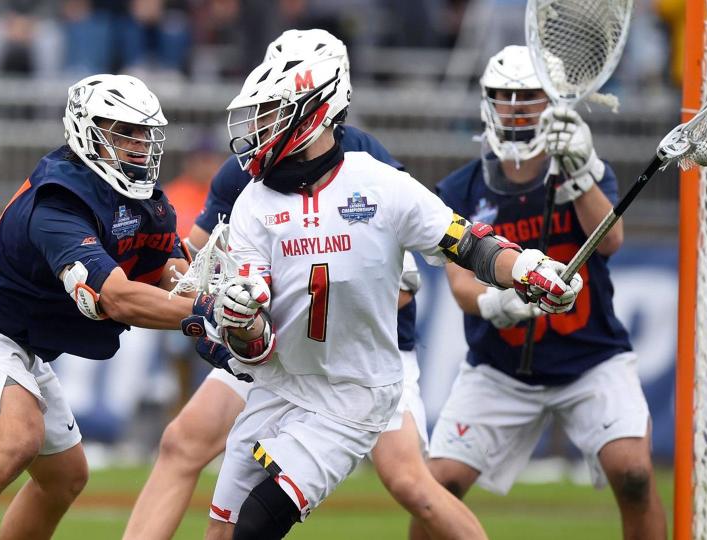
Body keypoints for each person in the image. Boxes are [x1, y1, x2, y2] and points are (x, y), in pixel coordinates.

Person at [185, 36, 582, 540]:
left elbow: (470, 244)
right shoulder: (252, 205)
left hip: (353, 392)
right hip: (279, 384)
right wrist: (241, 323)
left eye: (271, 114)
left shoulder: (379, 184)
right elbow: (257, 347)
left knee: (255, 526)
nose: (257, 129)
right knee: (220, 532)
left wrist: (525, 268)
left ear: (314, 114)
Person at [124, 29, 486, 540]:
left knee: (408, 481)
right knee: (184, 441)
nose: (262, 123)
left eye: (276, 106)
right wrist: (217, 304)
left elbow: (404, 281)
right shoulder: (250, 172)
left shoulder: (369, 167)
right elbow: (194, 259)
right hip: (277, 345)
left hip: (360, 349)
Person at [0, 73, 198, 540]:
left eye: (144, 133)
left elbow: (168, 270)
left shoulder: (144, 200)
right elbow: (119, 298)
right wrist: (206, 313)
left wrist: (215, 293)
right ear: (88, 131)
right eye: (124, 132)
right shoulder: (59, 201)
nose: (139, 145)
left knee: (65, 478)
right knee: (17, 440)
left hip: (20, 344)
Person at [410, 46, 667, 540]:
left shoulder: (583, 170)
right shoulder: (461, 188)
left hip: (591, 359)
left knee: (634, 473)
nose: (515, 107)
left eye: (527, 96)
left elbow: (609, 241)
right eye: (503, 96)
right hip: (500, 370)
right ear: (487, 102)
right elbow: (461, 282)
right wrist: (495, 303)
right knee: (434, 488)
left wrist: (581, 172)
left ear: (550, 101)